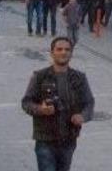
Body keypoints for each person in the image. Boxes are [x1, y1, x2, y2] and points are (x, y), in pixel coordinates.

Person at [22, 37, 95, 171]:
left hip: (68, 139)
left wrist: (82, 116)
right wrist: (40, 109)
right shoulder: (40, 76)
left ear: (71, 53)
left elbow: (89, 103)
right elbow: (26, 102)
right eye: (59, 49)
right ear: (52, 53)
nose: (63, 52)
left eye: (67, 50)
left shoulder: (79, 78)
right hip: (45, 139)